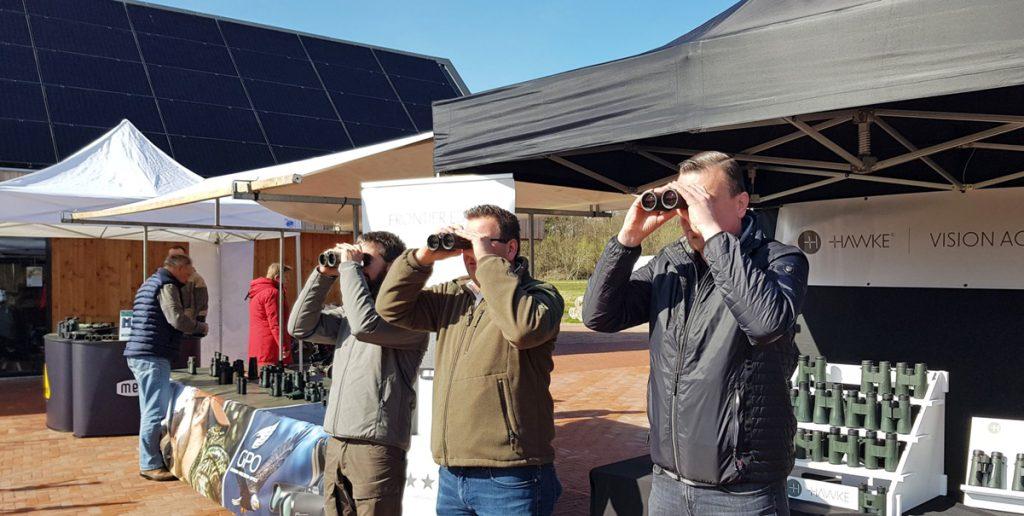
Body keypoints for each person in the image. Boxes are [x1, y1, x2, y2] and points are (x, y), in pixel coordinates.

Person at [583, 151, 809, 515]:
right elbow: (598, 315)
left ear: (741, 204)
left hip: (742, 492)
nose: (690, 215)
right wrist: (626, 241)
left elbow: (766, 323)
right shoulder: (669, 265)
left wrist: (715, 238)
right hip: (668, 485)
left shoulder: (778, 260)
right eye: (684, 203)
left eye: (702, 201)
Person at [377, 205, 565, 516]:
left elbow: (522, 329)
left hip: (511, 474)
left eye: (481, 241)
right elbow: (390, 308)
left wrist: (488, 261)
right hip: (452, 474)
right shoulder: (454, 296)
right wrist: (421, 258)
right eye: (467, 243)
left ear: (511, 247)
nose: (471, 252)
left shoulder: (540, 296)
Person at [288, 232, 428, 516]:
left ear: (391, 266)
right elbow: (299, 327)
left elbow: (366, 326)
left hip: (375, 446)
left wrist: (350, 268)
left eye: (366, 259)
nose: (357, 264)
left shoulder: (409, 313)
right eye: (355, 257)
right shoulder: (350, 314)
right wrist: (323, 274)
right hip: (338, 439)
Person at [124, 253, 208, 481]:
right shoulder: (167, 285)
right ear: (178, 268)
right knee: (154, 412)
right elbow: (176, 319)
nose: (189, 276)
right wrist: (199, 327)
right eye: (188, 271)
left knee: (148, 410)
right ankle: (150, 464)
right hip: (153, 354)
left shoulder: (149, 283)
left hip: (141, 352)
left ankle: (147, 456)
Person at [248, 263, 292, 366]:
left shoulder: (258, 291)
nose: (288, 281)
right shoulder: (272, 293)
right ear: (277, 278)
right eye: (286, 277)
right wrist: (284, 346)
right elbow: (275, 323)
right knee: (271, 378)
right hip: (270, 347)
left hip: (259, 344)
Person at [167, 245, 208, 328]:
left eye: (179, 257)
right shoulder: (164, 278)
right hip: (168, 326)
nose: (175, 260)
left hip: (188, 327)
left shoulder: (196, 278)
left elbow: (202, 303)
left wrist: (198, 324)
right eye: (173, 257)